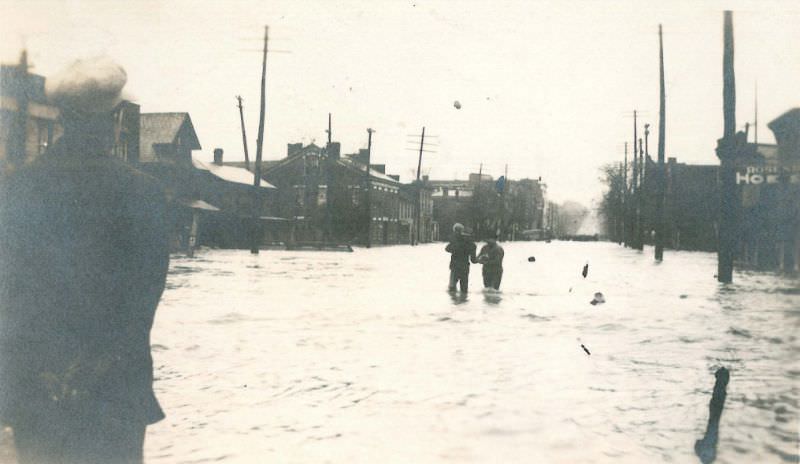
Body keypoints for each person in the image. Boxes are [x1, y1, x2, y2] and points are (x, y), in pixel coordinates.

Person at [0, 57, 169, 464]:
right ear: (113, 120)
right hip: (112, 386)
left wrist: (42, 368)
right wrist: (96, 365)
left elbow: (9, 293)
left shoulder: (16, 188)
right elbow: (142, 300)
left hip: (36, 384)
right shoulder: (141, 191)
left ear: (60, 118)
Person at [445, 223, 477, 292]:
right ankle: (464, 301)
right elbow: (473, 259)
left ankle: (455, 302)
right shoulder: (470, 243)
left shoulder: (454, 241)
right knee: (464, 289)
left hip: (455, 267)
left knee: (452, 289)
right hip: (465, 267)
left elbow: (447, 249)